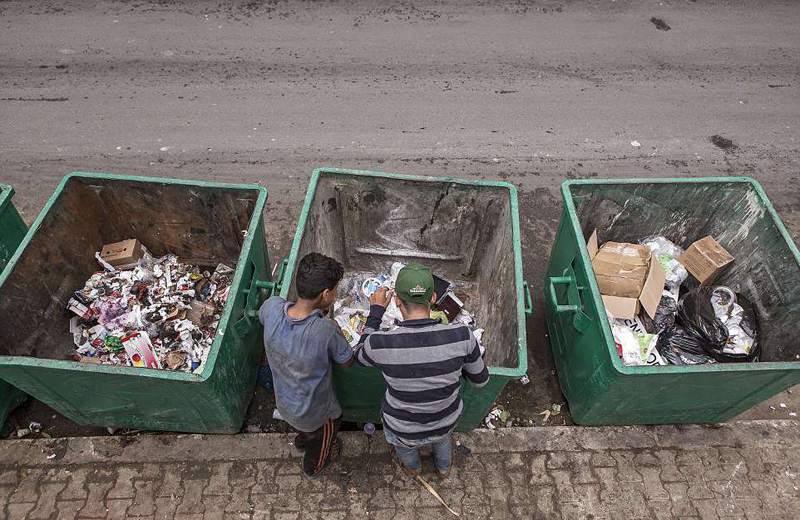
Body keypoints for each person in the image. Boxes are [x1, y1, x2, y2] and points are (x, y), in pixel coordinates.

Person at [354, 262, 489, 479]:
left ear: (397, 301)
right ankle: (444, 470)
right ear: (433, 298)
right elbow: (480, 381)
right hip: (445, 421)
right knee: (442, 439)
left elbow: (359, 356)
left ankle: (414, 470)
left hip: (402, 429)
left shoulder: (379, 344)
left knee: (405, 448)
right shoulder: (463, 336)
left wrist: (376, 312)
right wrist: (454, 365)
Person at [259, 252, 355, 478]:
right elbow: (348, 362)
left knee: (305, 431)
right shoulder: (325, 330)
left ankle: (303, 440)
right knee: (326, 433)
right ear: (325, 294)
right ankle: (315, 465)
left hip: (284, 402)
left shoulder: (272, 307)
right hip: (317, 415)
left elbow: (266, 318)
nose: (335, 294)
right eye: (335, 290)